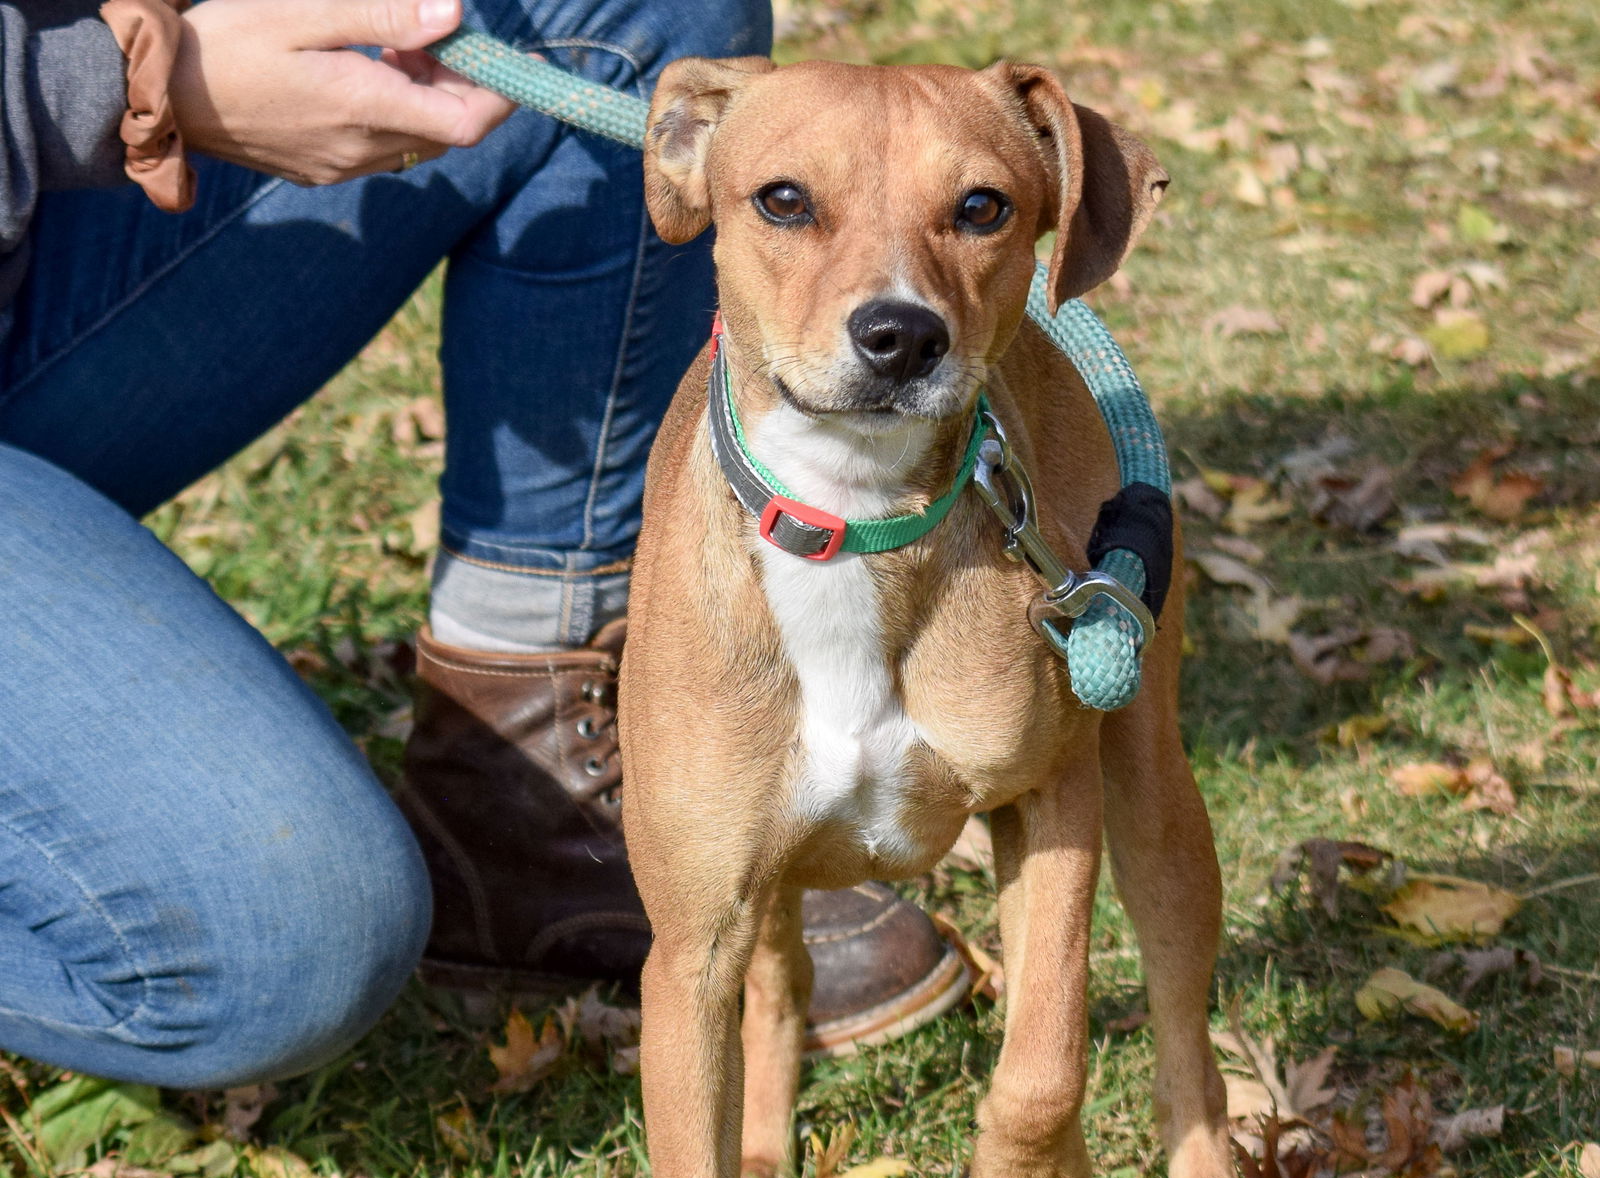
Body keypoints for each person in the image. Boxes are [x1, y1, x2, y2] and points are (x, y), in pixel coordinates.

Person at [0, 0, 967, 1091]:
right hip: (66, 105)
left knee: (628, 10)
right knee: (290, 944)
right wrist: (119, 87)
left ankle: (518, 774)